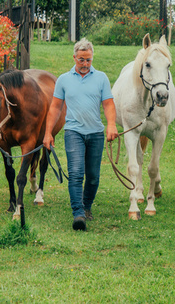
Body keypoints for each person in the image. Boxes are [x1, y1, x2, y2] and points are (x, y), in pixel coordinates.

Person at [43, 38, 119, 231]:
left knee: (93, 177)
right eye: (81, 60)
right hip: (73, 132)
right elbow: (55, 108)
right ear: (74, 58)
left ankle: (86, 207)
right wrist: (47, 133)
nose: (85, 64)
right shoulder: (64, 80)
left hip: (95, 133)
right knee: (76, 174)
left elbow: (108, 104)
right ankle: (78, 214)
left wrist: (111, 125)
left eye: (88, 60)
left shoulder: (101, 78)